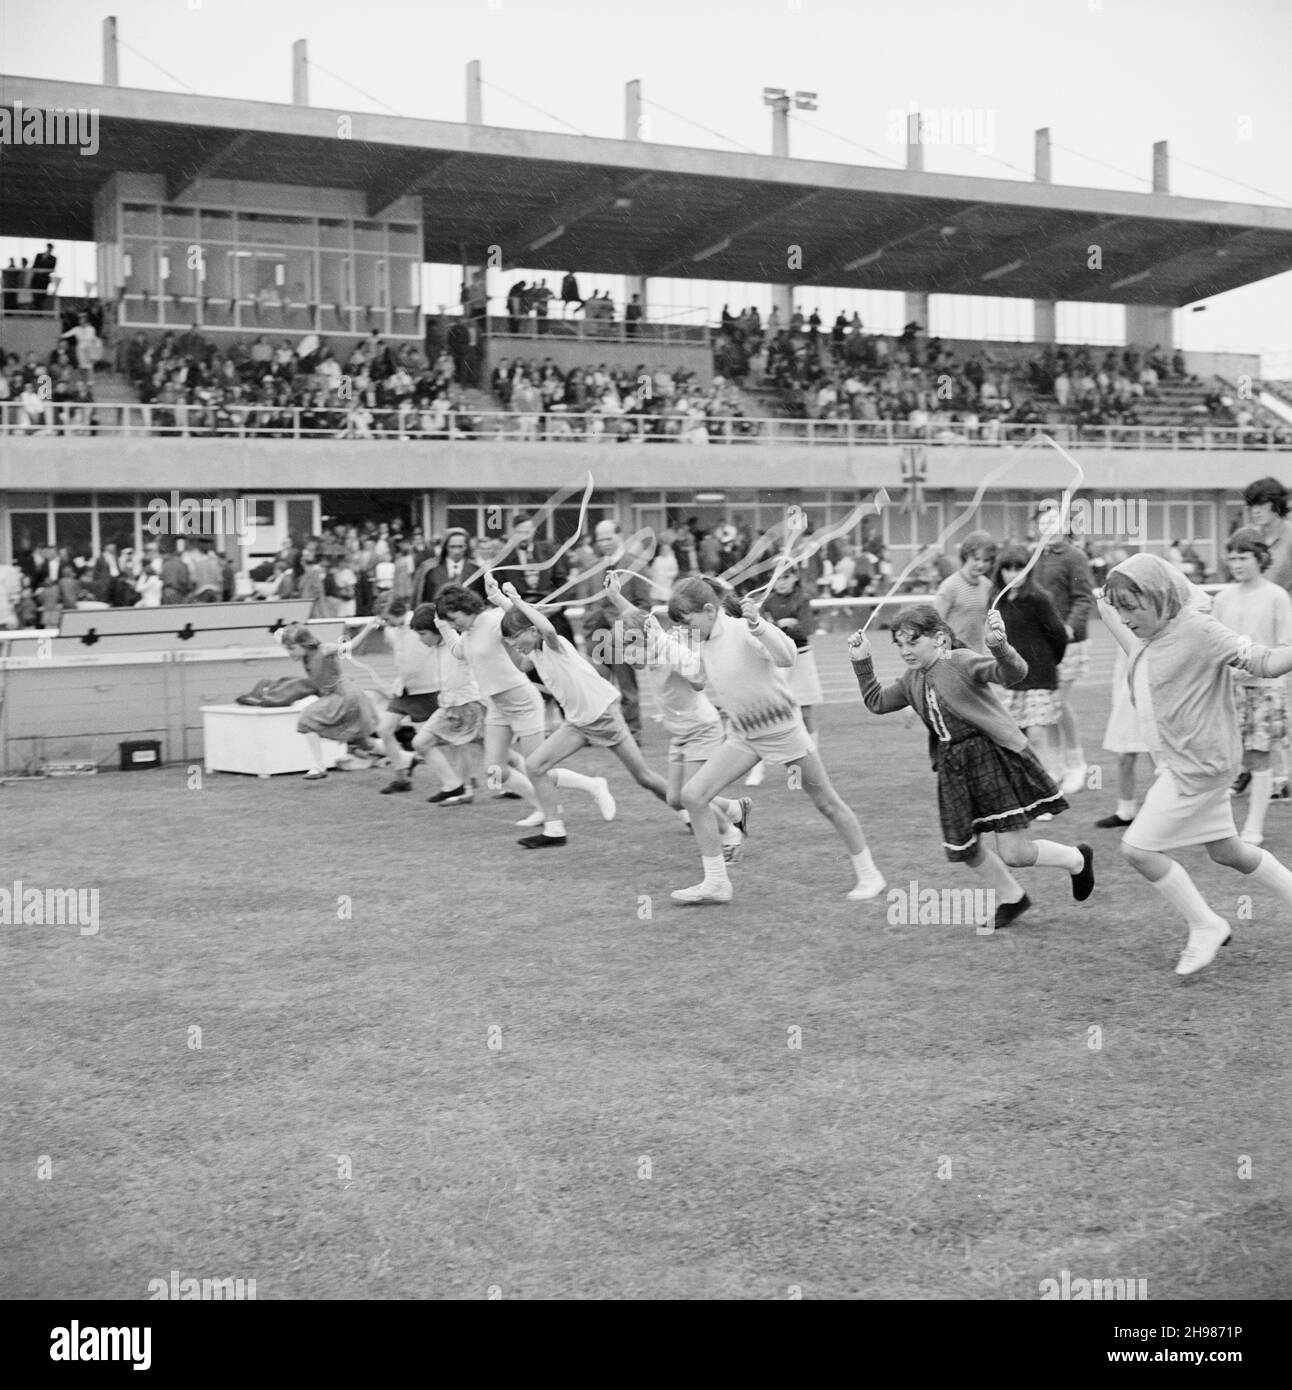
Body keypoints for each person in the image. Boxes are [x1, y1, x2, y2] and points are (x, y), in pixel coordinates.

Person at [1100, 553, 1292, 975]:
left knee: (1137, 850)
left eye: (1132, 607)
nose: (1124, 618)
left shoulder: (1198, 630)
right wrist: (1107, 594)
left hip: (1199, 767)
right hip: (1184, 765)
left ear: (1159, 597)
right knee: (1230, 852)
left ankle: (1206, 924)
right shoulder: (1147, 635)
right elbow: (1113, 612)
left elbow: (1262, 660)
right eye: (1119, 609)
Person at [850, 605, 1093, 932]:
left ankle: (1076, 859)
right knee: (964, 846)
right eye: (900, 644)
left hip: (991, 757)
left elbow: (1013, 674)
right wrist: (861, 661)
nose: (906, 651)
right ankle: (1013, 897)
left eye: (913, 642)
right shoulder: (911, 679)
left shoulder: (959, 661)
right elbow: (876, 701)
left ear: (939, 639)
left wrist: (999, 646)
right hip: (953, 768)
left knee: (1015, 853)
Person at [664, 577, 886, 904]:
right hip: (743, 734)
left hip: (781, 730)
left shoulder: (742, 630)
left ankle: (870, 875)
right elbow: (697, 679)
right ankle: (716, 884)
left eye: (687, 621)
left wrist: (759, 626)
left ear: (709, 610)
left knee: (827, 803)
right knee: (693, 795)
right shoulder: (703, 638)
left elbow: (788, 656)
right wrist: (663, 642)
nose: (685, 628)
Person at [434, 578, 615, 842]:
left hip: (522, 702)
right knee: (494, 772)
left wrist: (500, 598)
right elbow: (458, 651)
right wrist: (442, 625)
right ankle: (542, 806)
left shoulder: (494, 618)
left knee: (538, 767)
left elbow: (520, 620)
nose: (453, 623)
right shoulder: (468, 632)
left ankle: (591, 787)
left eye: (453, 617)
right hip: (497, 706)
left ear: (465, 607)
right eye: (448, 620)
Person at [498, 583, 674, 839]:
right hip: (578, 723)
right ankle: (554, 829)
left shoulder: (553, 644)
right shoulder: (534, 651)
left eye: (515, 638)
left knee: (644, 777)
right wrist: (503, 626)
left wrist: (517, 600)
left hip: (603, 716)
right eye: (510, 640)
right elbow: (522, 663)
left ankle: (688, 811)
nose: (515, 644)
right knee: (535, 766)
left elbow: (544, 627)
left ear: (532, 631)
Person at [600, 577, 751, 858]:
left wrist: (691, 671)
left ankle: (730, 833)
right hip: (680, 732)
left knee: (693, 796)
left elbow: (698, 681)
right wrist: (615, 596)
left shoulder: (669, 650)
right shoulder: (651, 636)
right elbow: (641, 620)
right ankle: (734, 808)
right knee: (674, 798)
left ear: (645, 642)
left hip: (700, 728)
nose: (627, 657)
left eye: (630, 649)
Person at [1211, 528, 1292, 845]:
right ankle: (1220, 827)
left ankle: (1254, 826)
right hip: (1229, 690)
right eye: (1232, 558)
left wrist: (1254, 664)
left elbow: (1286, 645)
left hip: (1264, 689)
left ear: (1259, 558)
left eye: (1243, 557)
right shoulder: (1223, 598)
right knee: (1229, 757)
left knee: (1259, 757)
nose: (1237, 564)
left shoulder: (1276, 596)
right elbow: (1214, 642)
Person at [991, 544, 1069, 788]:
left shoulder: (1039, 598)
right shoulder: (999, 602)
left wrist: (1047, 662)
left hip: (1040, 677)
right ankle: (1027, 785)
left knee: (1036, 734)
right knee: (1017, 736)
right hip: (1014, 679)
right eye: (1007, 569)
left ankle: (1048, 788)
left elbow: (1058, 634)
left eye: (1019, 568)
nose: (1013, 574)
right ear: (1000, 572)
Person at [743, 566, 823, 785]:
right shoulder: (768, 601)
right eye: (777, 578)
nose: (781, 582)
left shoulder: (803, 598)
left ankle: (806, 771)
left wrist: (782, 627)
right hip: (778, 661)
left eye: (786, 577)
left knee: (805, 717)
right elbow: (764, 628)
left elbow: (805, 629)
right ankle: (757, 770)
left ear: (795, 577)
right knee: (770, 717)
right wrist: (783, 625)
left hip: (802, 659)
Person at [1034, 505, 1095, 795]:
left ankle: (1076, 762)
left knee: (1057, 703)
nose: (1048, 526)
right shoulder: (1035, 556)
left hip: (1070, 643)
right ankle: (1055, 766)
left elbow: (1084, 599)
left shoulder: (1075, 556)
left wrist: (1069, 628)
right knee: (1048, 707)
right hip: (1042, 644)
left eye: (1053, 521)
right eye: (1043, 521)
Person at [354, 598, 442, 794]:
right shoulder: (393, 630)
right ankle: (403, 778)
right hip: (405, 690)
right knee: (385, 729)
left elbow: (418, 661)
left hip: (426, 690)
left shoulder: (418, 627)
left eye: (386, 618)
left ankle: (462, 784)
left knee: (436, 742)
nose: (384, 623)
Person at [279, 623, 380, 780]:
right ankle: (408, 757)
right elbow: (281, 636)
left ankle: (319, 767)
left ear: (304, 643)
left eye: (291, 649)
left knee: (307, 719)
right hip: (340, 695)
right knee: (364, 743)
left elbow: (351, 645)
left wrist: (367, 629)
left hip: (344, 695)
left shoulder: (324, 650)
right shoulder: (306, 656)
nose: (289, 653)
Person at [410, 604, 488, 804]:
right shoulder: (440, 646)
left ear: (438, 628)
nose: (421, 639)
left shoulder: (456, 643)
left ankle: (464, 788)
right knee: (425, 743)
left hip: (468, 705)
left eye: (423, 633)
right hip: (453, 706)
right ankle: (458, 787)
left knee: (495, 755)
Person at [935, 531, 997, 653]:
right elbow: (937, 625)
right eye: (976, 559)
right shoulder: (949, 586)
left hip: (976, 657)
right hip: (953, 655)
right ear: (965, 556)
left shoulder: (987, 586)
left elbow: (986, 623)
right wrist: (944, 657)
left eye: (986, 560)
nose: (980, 565)